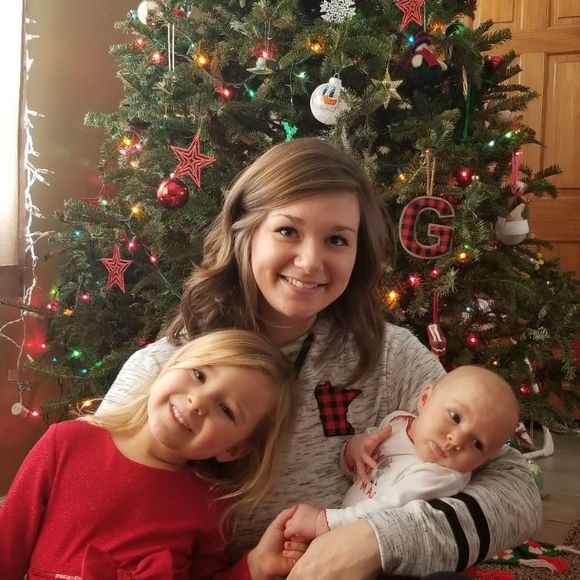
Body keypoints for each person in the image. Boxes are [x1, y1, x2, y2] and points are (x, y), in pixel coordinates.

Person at [99, 138, 541, 578]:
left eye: (336, 240)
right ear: (246, 231)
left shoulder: (391, 356)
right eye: (287, 231)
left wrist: (372, 540)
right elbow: (91, 513)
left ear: (358, 253)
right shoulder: (165, 374)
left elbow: (518, 494)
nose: (311, 262)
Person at [0, 330, 302, 580]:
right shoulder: (67, 442)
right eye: (199, 374)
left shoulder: (212, 504)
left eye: (226, 409)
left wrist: (255, 567)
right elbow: (8, 545)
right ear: (171, 365)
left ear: (233, 449)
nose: (198, 401)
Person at [283, 365, 520, 540]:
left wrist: (323, 522)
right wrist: (354, 450)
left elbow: (386, 514)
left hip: (379, 556)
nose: (456, 440)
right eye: (455, 417)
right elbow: (355, 471)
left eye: (477, 444)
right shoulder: (396, 423)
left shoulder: (438, 476)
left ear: (484, 460)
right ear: (425, 399)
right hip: (341, 531)